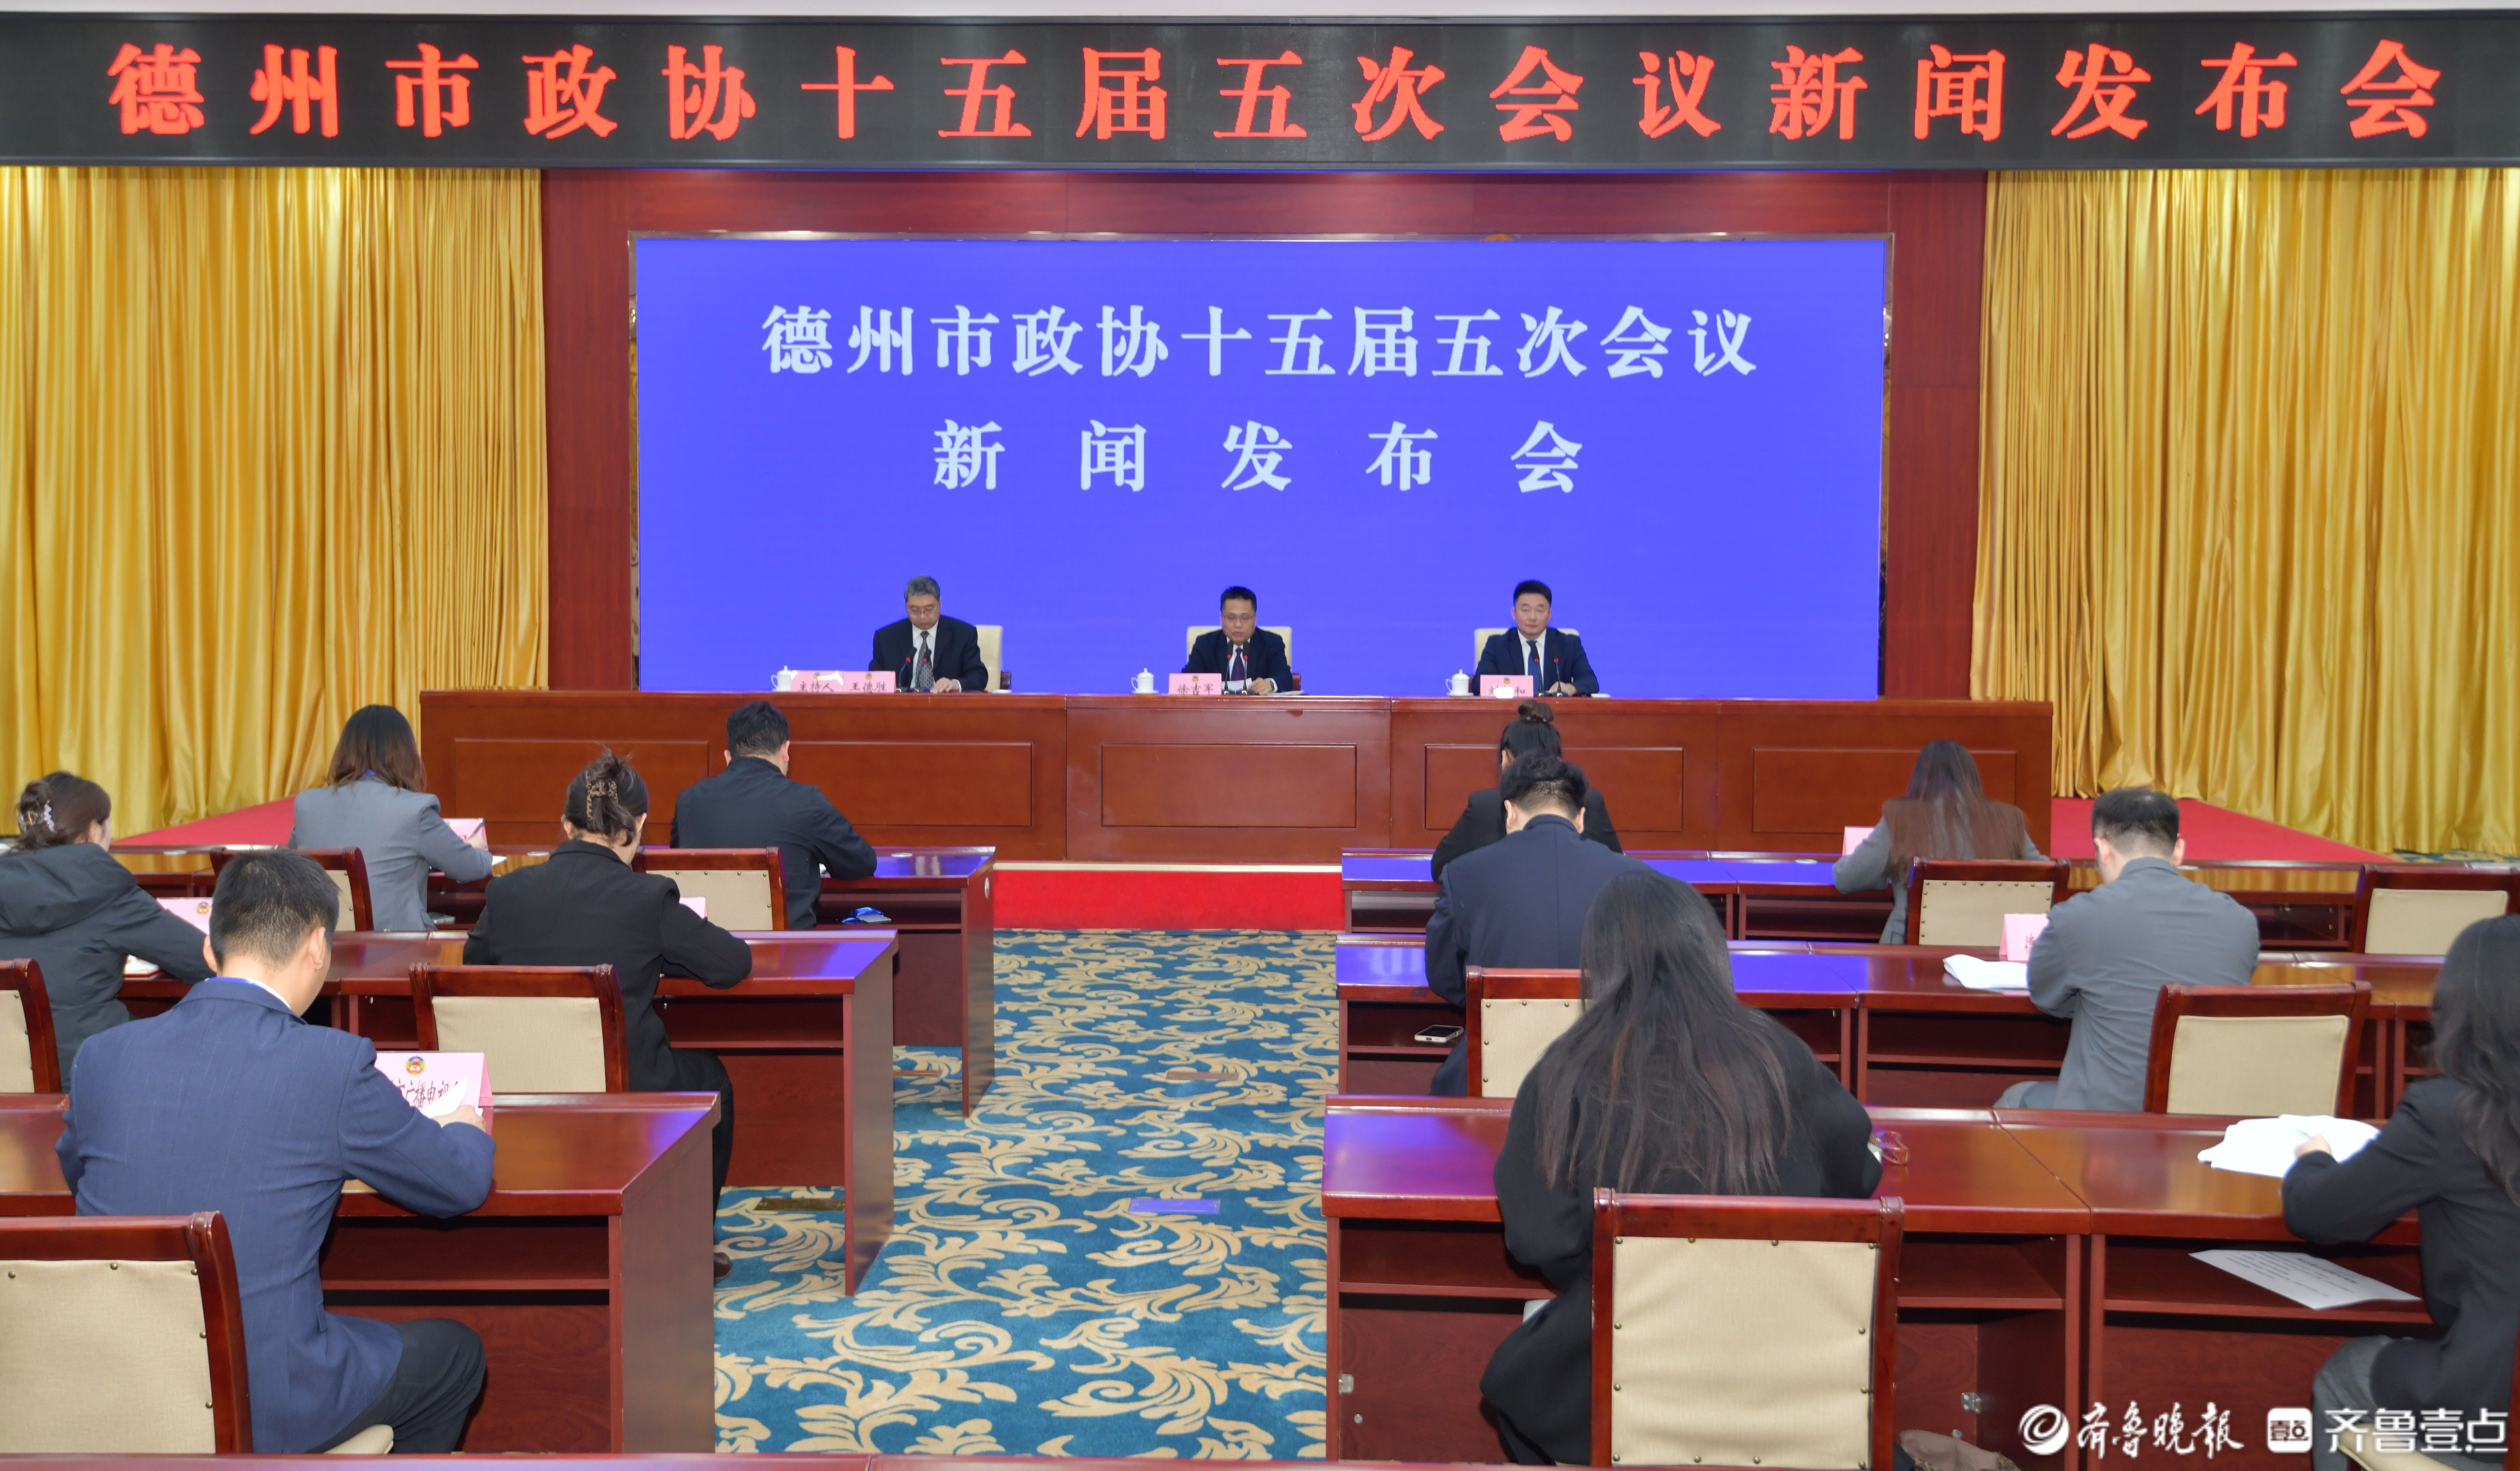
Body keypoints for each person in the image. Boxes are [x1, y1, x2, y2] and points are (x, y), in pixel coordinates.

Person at [57, 850, 496, 1453]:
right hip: (265, 1397)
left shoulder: (101, 1056)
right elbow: (458, 1183)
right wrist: (466, 1124)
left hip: (115, 1381)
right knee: (456, 1356)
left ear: (210, 951)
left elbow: (78, 1174)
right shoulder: (332, 1063)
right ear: (317, 946)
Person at [1481, 870, 1882, 1465]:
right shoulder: (1781, 1053)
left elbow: (1535, 1236)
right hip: (1783, 1358)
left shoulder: (1564, 1068)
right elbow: (1854, 1179)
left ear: (1599, 961)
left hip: (1630, 1363)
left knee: (1516, 1389)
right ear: (1710, 949)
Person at [465, 751, 751, 1274]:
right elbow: (732, 964)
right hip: (622, 1092)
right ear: (640, 825)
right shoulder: (648, 897)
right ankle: (686, 1249)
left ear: (566, 825)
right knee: (711, 1078)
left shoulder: (506, 893)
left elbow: (474, 968)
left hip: (519, 1088)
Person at [2286, 915, 2520, 1471]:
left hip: (2483, 1409)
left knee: (2343, 1373)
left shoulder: (2450, 1112)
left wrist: (2312, 1156)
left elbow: (2318, 1213)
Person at [1994, 787, 2259, 1110]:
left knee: (2015, 1098)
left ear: (2103, 849)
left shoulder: (2077, 917)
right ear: (2178, 850)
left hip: (2104, 1123)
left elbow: (2046, 998)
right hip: (2205, 1113)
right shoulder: (2240, 921)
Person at [1424, 755, 1649, 1096]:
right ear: (1580, 818)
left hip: (1493, 1070)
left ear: (1509, 812)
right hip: (1608, 1075)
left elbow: (1445, 978)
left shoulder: (1463, 873)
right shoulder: (1638, 878)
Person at [0, 772, 215, 1083]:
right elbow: (206, 961)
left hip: (11, 1086)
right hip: (93, 1078)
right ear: (93, 830)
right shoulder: (103, 887)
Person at [670, 700, 877, 930]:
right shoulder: (806, 801)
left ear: (728, 757)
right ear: (785, 750)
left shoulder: (688, 801)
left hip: (707, 945)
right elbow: (862, 863)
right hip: (785, 949)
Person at [290, 705, 494, 932]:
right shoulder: (415, 810)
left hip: (323, 943)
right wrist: (477, 848)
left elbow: (292, 867)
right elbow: (469, 868)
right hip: (397, 948)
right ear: (406, 755)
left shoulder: (307, 805)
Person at [1835, 739, 2046, 943]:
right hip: (1994, 955)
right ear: (1972, 777)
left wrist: (1885, 874)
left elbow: (1847, 878)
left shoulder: (1901, 817)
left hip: (1910, 959)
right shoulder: (2008, 819)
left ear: (1920, 778)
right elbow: (2046, 879)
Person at [1430, 702, 1622, 881]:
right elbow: (1618, 870)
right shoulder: (1589, 801)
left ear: (1505, 760)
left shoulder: (1485, 806)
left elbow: (1442, 868)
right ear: (1559, 761)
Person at [1475, 580, 1598, 697]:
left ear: (1550, 615)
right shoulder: (1497, 645)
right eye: (1525, 610)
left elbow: (1590, 681)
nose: (1533, 617)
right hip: (1511, 710)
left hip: (1554, 711)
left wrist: (1570, 688)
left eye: (1540, 611)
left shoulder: (1568, 644)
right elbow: (1478, 684)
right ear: (1514, 613)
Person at [869, 575, 989, 693]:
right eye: (915, 610)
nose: (922, 616)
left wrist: (955, 684)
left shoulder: (963, 634)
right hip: (901, 704)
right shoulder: (886, 638)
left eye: (929, 609)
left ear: (940, 603)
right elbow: (875, 679)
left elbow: (979, 676)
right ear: (906, 606)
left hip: (946, 703)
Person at [1183, 586, 1291, 695]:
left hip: (1257, 707)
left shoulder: (1272, 643)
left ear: (1256, 617)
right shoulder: (1205, 644)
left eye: (1245, 618)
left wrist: (1270, 684)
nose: (1238, 625)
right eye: (1231, 618)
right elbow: (1188, 680)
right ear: (1221, 618)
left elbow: (1284, 677)